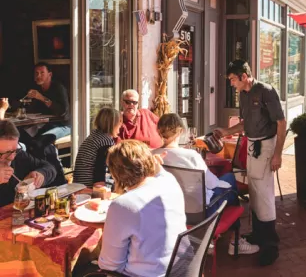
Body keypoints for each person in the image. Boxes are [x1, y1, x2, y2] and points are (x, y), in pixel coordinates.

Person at [153, 113, 259, 256]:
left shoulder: (153, 156)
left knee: (226, 184)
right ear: (180, 131)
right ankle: (235, 241)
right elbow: (211, 182)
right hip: (199, 213)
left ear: (159, 131)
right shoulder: (190, 156)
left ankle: (213, 240)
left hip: (169, 210)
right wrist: (226, 183)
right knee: (229, 181)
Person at [214, 60, 286, 266]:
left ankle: (270, 246)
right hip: (253, 145)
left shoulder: (266, 91)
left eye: (232, 79)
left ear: (244, 76)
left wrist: (278, 154)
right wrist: (225, 132)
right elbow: (245, 124)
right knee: (255, 193)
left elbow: (281, 122)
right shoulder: (244, 95)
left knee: (263, 193)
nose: (231, 84)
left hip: (266, 146)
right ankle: (259, 234)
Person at [98, 140, 187, 276]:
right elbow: (161, 173)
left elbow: (110, 266)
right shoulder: (170, 181)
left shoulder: (124, 204)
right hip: (180, 270)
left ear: (115, 174)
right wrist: (152, 163)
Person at [0, 120, 57, 207]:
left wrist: (41, 174)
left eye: (15, 150)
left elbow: (49, 167)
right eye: (5, 153)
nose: (11, 157)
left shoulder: (19, 155)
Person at [73, 107, 122, 188]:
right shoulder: (105, 142)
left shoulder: (95, 136)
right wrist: (100, 191)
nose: (121, 125)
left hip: (79, 184)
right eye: (119, 122)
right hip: (88, 187)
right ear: (112, 124)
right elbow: (100, 170)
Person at [23, 62, 71, 142]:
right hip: (45, 124)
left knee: (41, 140)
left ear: (50, 74)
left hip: (63, 125)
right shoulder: (36, 88)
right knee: (23, 136)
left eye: (42, 73)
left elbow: (62, 112)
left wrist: (41, 97)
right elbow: (33, 110)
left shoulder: (58, 88)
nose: (38, 76)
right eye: (36, 73)